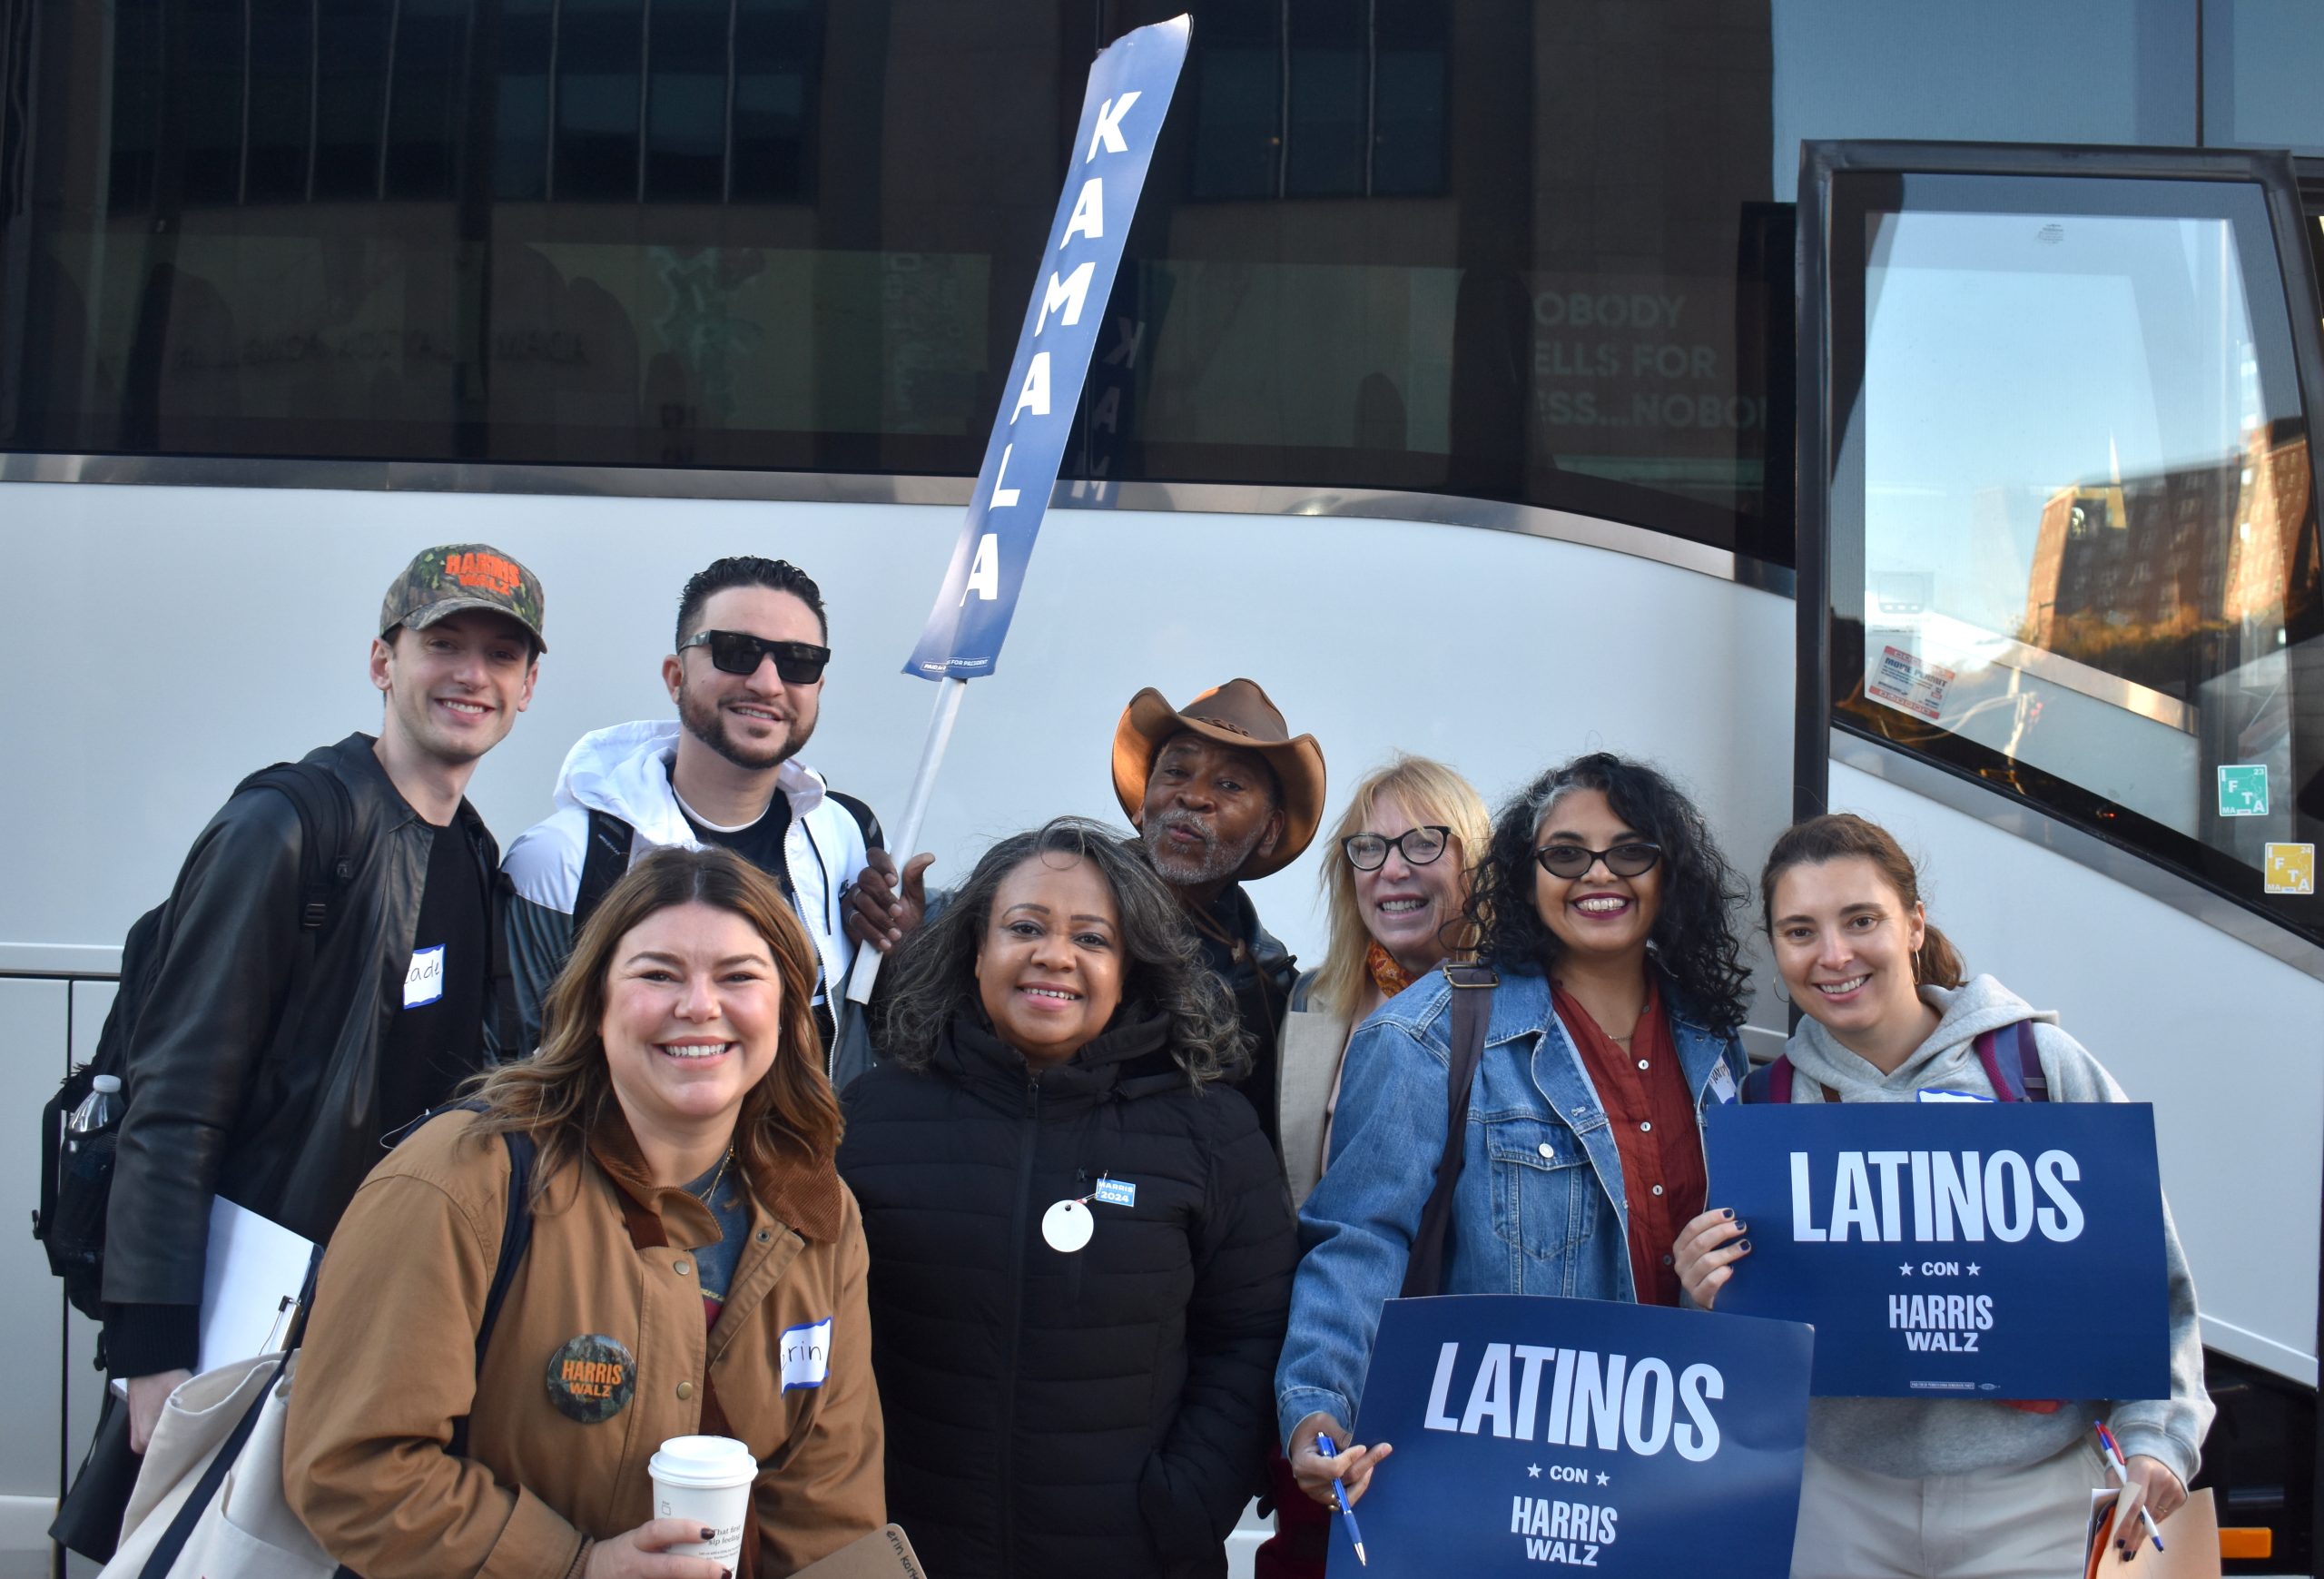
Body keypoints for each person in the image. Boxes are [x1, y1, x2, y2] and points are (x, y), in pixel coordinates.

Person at [286, 845, 884, 1579]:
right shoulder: (462, 1178)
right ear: (595, 1001)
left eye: (738, 976)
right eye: (658, 973)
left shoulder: (814, 1211)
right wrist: (575, 1567)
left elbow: (828, 1505)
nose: (699, 1004)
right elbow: (352, 1467)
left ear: (789, 1006)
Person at [1672, 814, 2212, 1577]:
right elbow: (1744, 1357)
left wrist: (2160, 1436)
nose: (1833, 954)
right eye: (1801, 930)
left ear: (1914, 923)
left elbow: (2148, 1280)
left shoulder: (2037, 1066)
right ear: (1776, 948)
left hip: (2038, 1498)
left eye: (1861, 920)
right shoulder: (1763, 1107)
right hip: (1838, 1500)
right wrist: (1704, 1295)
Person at [104, 543, 545, 1457]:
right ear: (383, 662)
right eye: (443, 643)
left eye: (501, 655)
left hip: (383, 1312)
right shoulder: (286, 826)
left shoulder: (471, 852)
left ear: (528, 685)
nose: (472, 674)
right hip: (250, 1313)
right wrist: (153, 1351)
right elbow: (176, 1097)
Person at [1275, 752, 1752, 1512]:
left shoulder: (1710, 1035)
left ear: (1671, 874)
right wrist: (1318, 1403)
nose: (1598, 873)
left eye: (1629, 850)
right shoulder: (1424, 1033)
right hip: (1511, 1479)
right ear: (1525, 875)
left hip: (1680, 1474)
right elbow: (1360, 1240)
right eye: (1565, 854)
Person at [837, 818, 1297, 1579]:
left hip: (1134, 1557)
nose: (1055, 955)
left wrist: (1187, 1503)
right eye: (1024, 927)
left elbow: (1251, 1335)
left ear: (1130, 968)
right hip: (908, 1555)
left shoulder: (1210, 1130)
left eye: (1093, 938)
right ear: (975, 948)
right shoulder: (872, 1118)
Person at [851, 680, 1325, 1160]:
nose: (1194, 797)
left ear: (1270, 830)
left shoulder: (1273, 992)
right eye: (1177, 771)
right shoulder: (1008, 915)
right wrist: (906, 956)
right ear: (1143, 802)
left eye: (1230, 785)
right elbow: (926, 1054)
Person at [1256, 755, 1492, 1579]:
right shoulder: (1308, 1005)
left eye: (1423, 843)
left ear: (1476, 862)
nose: (1391, 868)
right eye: (1367, 848)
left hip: (1467, 1385)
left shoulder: (1520, 1012)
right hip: (1332, 1370)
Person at [504, 555, 883, 1061]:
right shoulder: (564, 859)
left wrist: (908, 955)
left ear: (818, 687)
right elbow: (518, 1069)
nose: (768, 683)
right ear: (675, 675)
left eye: (798, 661)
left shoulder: (845, 834)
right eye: (735, 651)